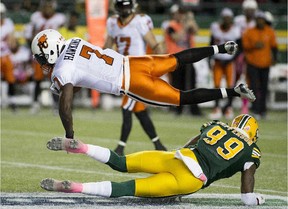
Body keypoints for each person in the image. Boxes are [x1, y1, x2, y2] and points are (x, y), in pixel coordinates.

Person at [31, 29, 255, 140]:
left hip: (131, 82)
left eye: (41, 57)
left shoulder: (62, 69)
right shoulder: (73, 41)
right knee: (177, 59)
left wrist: (69, 133)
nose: (42, 62)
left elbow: (66, 105)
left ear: (49, 51)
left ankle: (233, 92)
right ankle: (221, 48)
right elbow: (83, 72)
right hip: (136, 63)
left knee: (181, 98)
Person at [40, 114, 265, 206]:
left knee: (121, 162)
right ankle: (76, 187)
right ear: (253, 134)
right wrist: (258, 200)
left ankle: (83, 147)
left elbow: (193, 141)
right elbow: (246, 197)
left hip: (179, 158)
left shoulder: (218, 125)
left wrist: (178, 155)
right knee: (127, 188)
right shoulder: (252, 151)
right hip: (192, 179)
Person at [103, 0, 167, 155]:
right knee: (140, 112)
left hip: (138, 70)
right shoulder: (112, 22)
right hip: (123, 70)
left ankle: (120, 147)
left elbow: (154, 44)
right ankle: (158, 145)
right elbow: (107, 47)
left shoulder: (139, 21)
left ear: (132, 6)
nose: (124, 9)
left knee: (126, 108)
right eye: (121, 6)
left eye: (126, 5)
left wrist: (162, 64)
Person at [24, 0, 66, 114]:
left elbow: (63, 35)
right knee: (37, 79)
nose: (47, 8)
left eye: (49, 6)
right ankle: (35, 103)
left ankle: (56, 104)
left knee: (54, 79)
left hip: (54, 53)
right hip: (40, 53)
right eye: (45, 6)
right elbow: (30, 35)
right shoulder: (36, 17)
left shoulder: (60, 18)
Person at [164, 4, 202, 116]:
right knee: (177, 85)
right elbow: (176, 37)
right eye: (179, 13)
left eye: (182, 13)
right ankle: (177, 109)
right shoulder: (171, 25)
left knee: (192, 84)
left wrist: (191, 20)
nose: (181, 15)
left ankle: (194, 109)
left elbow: (196, 31)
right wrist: (185, 25)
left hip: (189, 58)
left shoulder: (187, 24)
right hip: (176, 58)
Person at [242, 11, 278, 120]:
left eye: (261, 19)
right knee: (253, 87)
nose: (260, 21)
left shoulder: (270, 31)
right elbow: (244, 45)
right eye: (258, 19)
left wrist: (275, 58)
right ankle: (255, 109)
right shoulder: (249, 31)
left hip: (265, 64)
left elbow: (274, 46)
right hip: (252, 63)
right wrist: (254, 45)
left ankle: (263, 110)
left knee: (264, 87)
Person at [209, 8, 241, 120]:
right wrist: (210, 59)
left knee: (230, 86)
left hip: (229, 62)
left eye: (228, 18)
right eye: (225, 18)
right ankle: (216, 107)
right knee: (216, 85)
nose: (226, 20)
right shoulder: (215, 28)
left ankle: (228, 108)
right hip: (217, 60)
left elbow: (240, 48)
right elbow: (211, 44)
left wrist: (232, 59)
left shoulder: (236, 30)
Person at [234, 0, 258, 114]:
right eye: (248, 9)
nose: (250, 12)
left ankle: (245, 105)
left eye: (252, 9)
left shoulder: (256, 22)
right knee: (234, 78)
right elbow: (235, 36)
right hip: (238, 52)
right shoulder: (238, 20)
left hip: (251, 53)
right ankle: (229, 104)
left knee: (247, 80)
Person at [0, 2, 17, 112]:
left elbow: (12, 41)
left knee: (10, 79)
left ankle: (12, 102)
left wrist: (12, 43)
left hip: (6, 54)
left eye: (2, 14)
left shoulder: (8, 23)